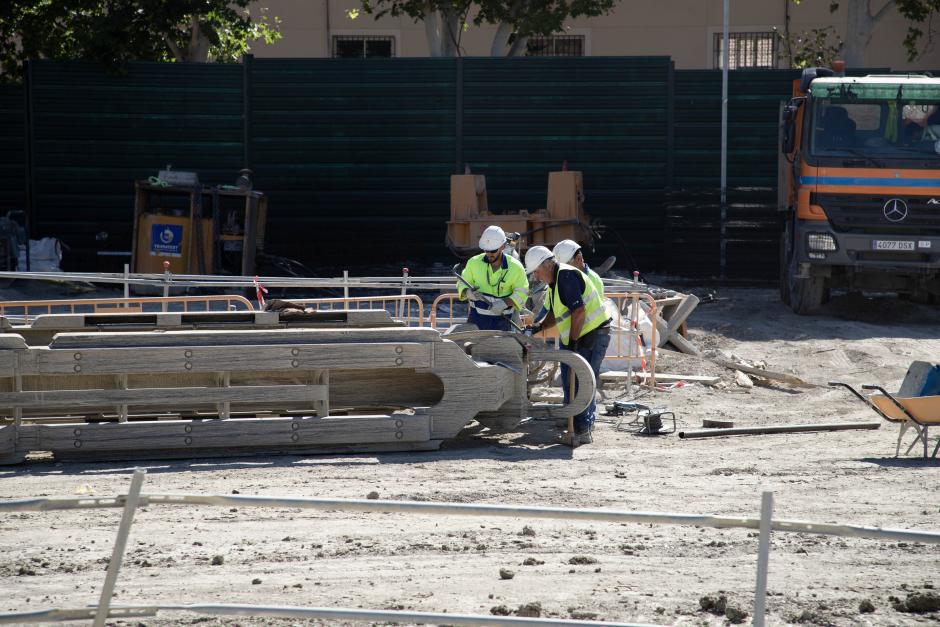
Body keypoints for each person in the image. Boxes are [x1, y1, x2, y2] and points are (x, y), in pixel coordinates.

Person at [524, 245, 611, 445]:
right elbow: (557, 313)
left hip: (591, 335)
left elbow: (578, 312)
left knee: (580, 384)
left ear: (546, 266)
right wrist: (537, 328)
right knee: (572, 383)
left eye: (536, 271)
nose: (536, 277)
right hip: (585, 335)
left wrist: (572, 343)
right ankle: (578, 426)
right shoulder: (556, 282)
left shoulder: (565, 276)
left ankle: (581, 431)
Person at [551, 239, 606, 411]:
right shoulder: (563, 277)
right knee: (569, 377)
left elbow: (581, 312)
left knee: (585, 380)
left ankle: (584, 421)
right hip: (572, 336)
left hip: (589, 336)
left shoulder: (592, 279)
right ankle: (570, 414)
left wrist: (574, 339)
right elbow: (551, 306)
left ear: (579, 258)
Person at [457, 225, 529, 332]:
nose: (489, 254)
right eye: (486, 250)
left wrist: (505, 303)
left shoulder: (516, 267)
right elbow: (461, 283)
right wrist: (467, 292)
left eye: (493, 251)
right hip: (476, 321)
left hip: (503, 321)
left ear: (503, 247)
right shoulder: (473, 262)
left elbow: (522, 293)